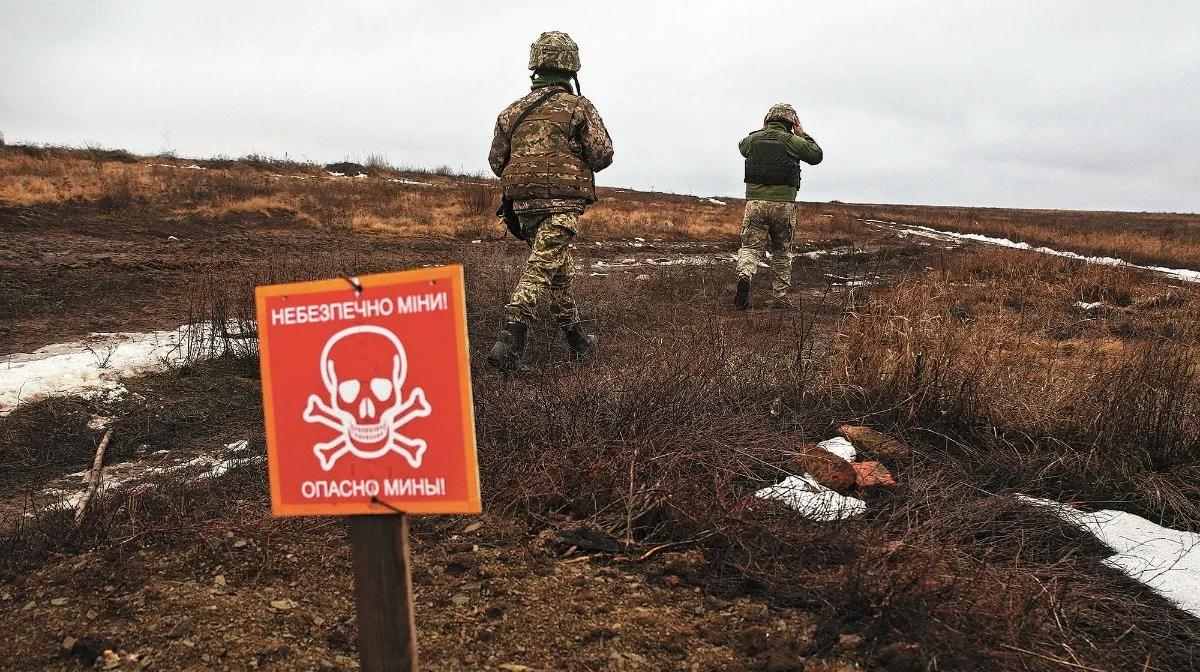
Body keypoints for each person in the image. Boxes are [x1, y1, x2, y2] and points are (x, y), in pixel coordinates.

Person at [486, 31, 614, 372]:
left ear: (535, 65)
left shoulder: (510, 112)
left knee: (556, 269)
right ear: (571, 67)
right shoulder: (579, 107)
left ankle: (577, 341)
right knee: (541, 268)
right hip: (561, 204)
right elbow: (602, 155)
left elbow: (497, 162)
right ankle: (510, 339)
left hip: (523, 206)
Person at [734, 103, 823, 310]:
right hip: (783, 205)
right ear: (791, 123)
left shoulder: (752, 141)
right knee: (782, 251)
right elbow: (816, 155)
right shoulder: (793, 141)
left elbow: (742, 146)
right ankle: (780, 297)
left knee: (750, 248)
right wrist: (803, 134)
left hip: (755, 204)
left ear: (768, 120)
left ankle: (745, 277)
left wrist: (762, 130)